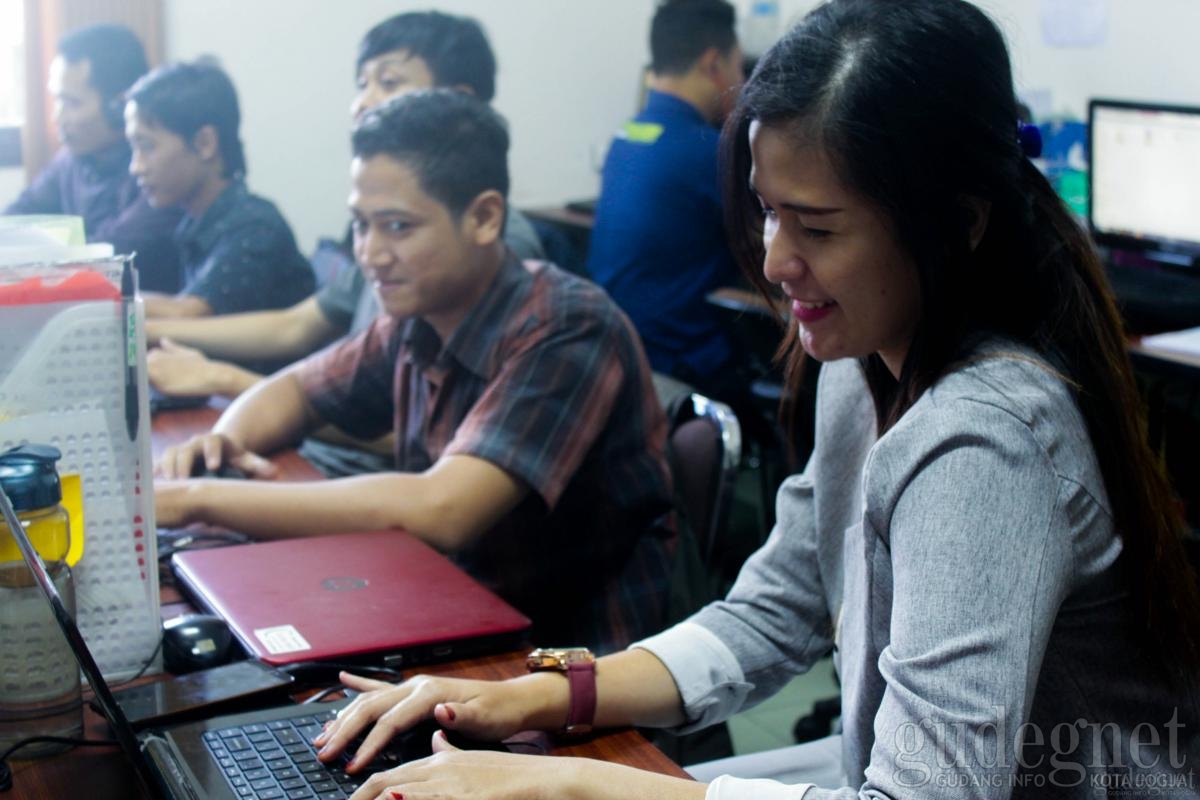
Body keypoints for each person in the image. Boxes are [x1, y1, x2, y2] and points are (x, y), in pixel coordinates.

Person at [311, 1, 1200, 798]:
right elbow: (777, 607)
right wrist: (527, 696)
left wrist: (569, 788)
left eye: (815, 227)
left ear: (958, 222)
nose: (774, 261)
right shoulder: (866, 363)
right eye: (766, 211)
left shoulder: (985, 443)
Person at [155, 90, 673, 655]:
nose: (371, 254)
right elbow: (295, 393)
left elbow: (442, 510)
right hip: (445, 609)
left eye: (398, 227)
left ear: (483, 218)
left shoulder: (568, 326)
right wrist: (223, 441)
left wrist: (194, 498)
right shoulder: (418, 315)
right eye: (361, 225)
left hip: (565, 661)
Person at [142, 11, 545, 477]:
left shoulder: (486, 257)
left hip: (379, 483)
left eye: (388, 82)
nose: (363, 103)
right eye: (362, 84)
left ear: (456, 105)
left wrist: (222, 378)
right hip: (335, 466)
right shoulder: (390, 252)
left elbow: (427, 446)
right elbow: (296, 329)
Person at [586, 0, 745, 402]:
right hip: (681, 361)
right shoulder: (709, 151)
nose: (741, 82)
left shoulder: (625, 138)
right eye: (738, 68)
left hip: (618, 350)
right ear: (713, 65)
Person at [124, 62, 315, 319]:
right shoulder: (197, 219)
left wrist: (99, 297)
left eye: (146, 146)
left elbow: (189, 315)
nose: (135, 167)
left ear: (205, 143)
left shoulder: (255, 227)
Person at [4, 24, 182, 292]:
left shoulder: (156, 170)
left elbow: (105, 258)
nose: (58, 118)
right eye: (57, 102)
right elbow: (16, 220)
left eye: (72, 103)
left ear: (119, 106)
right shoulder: (71, 160)